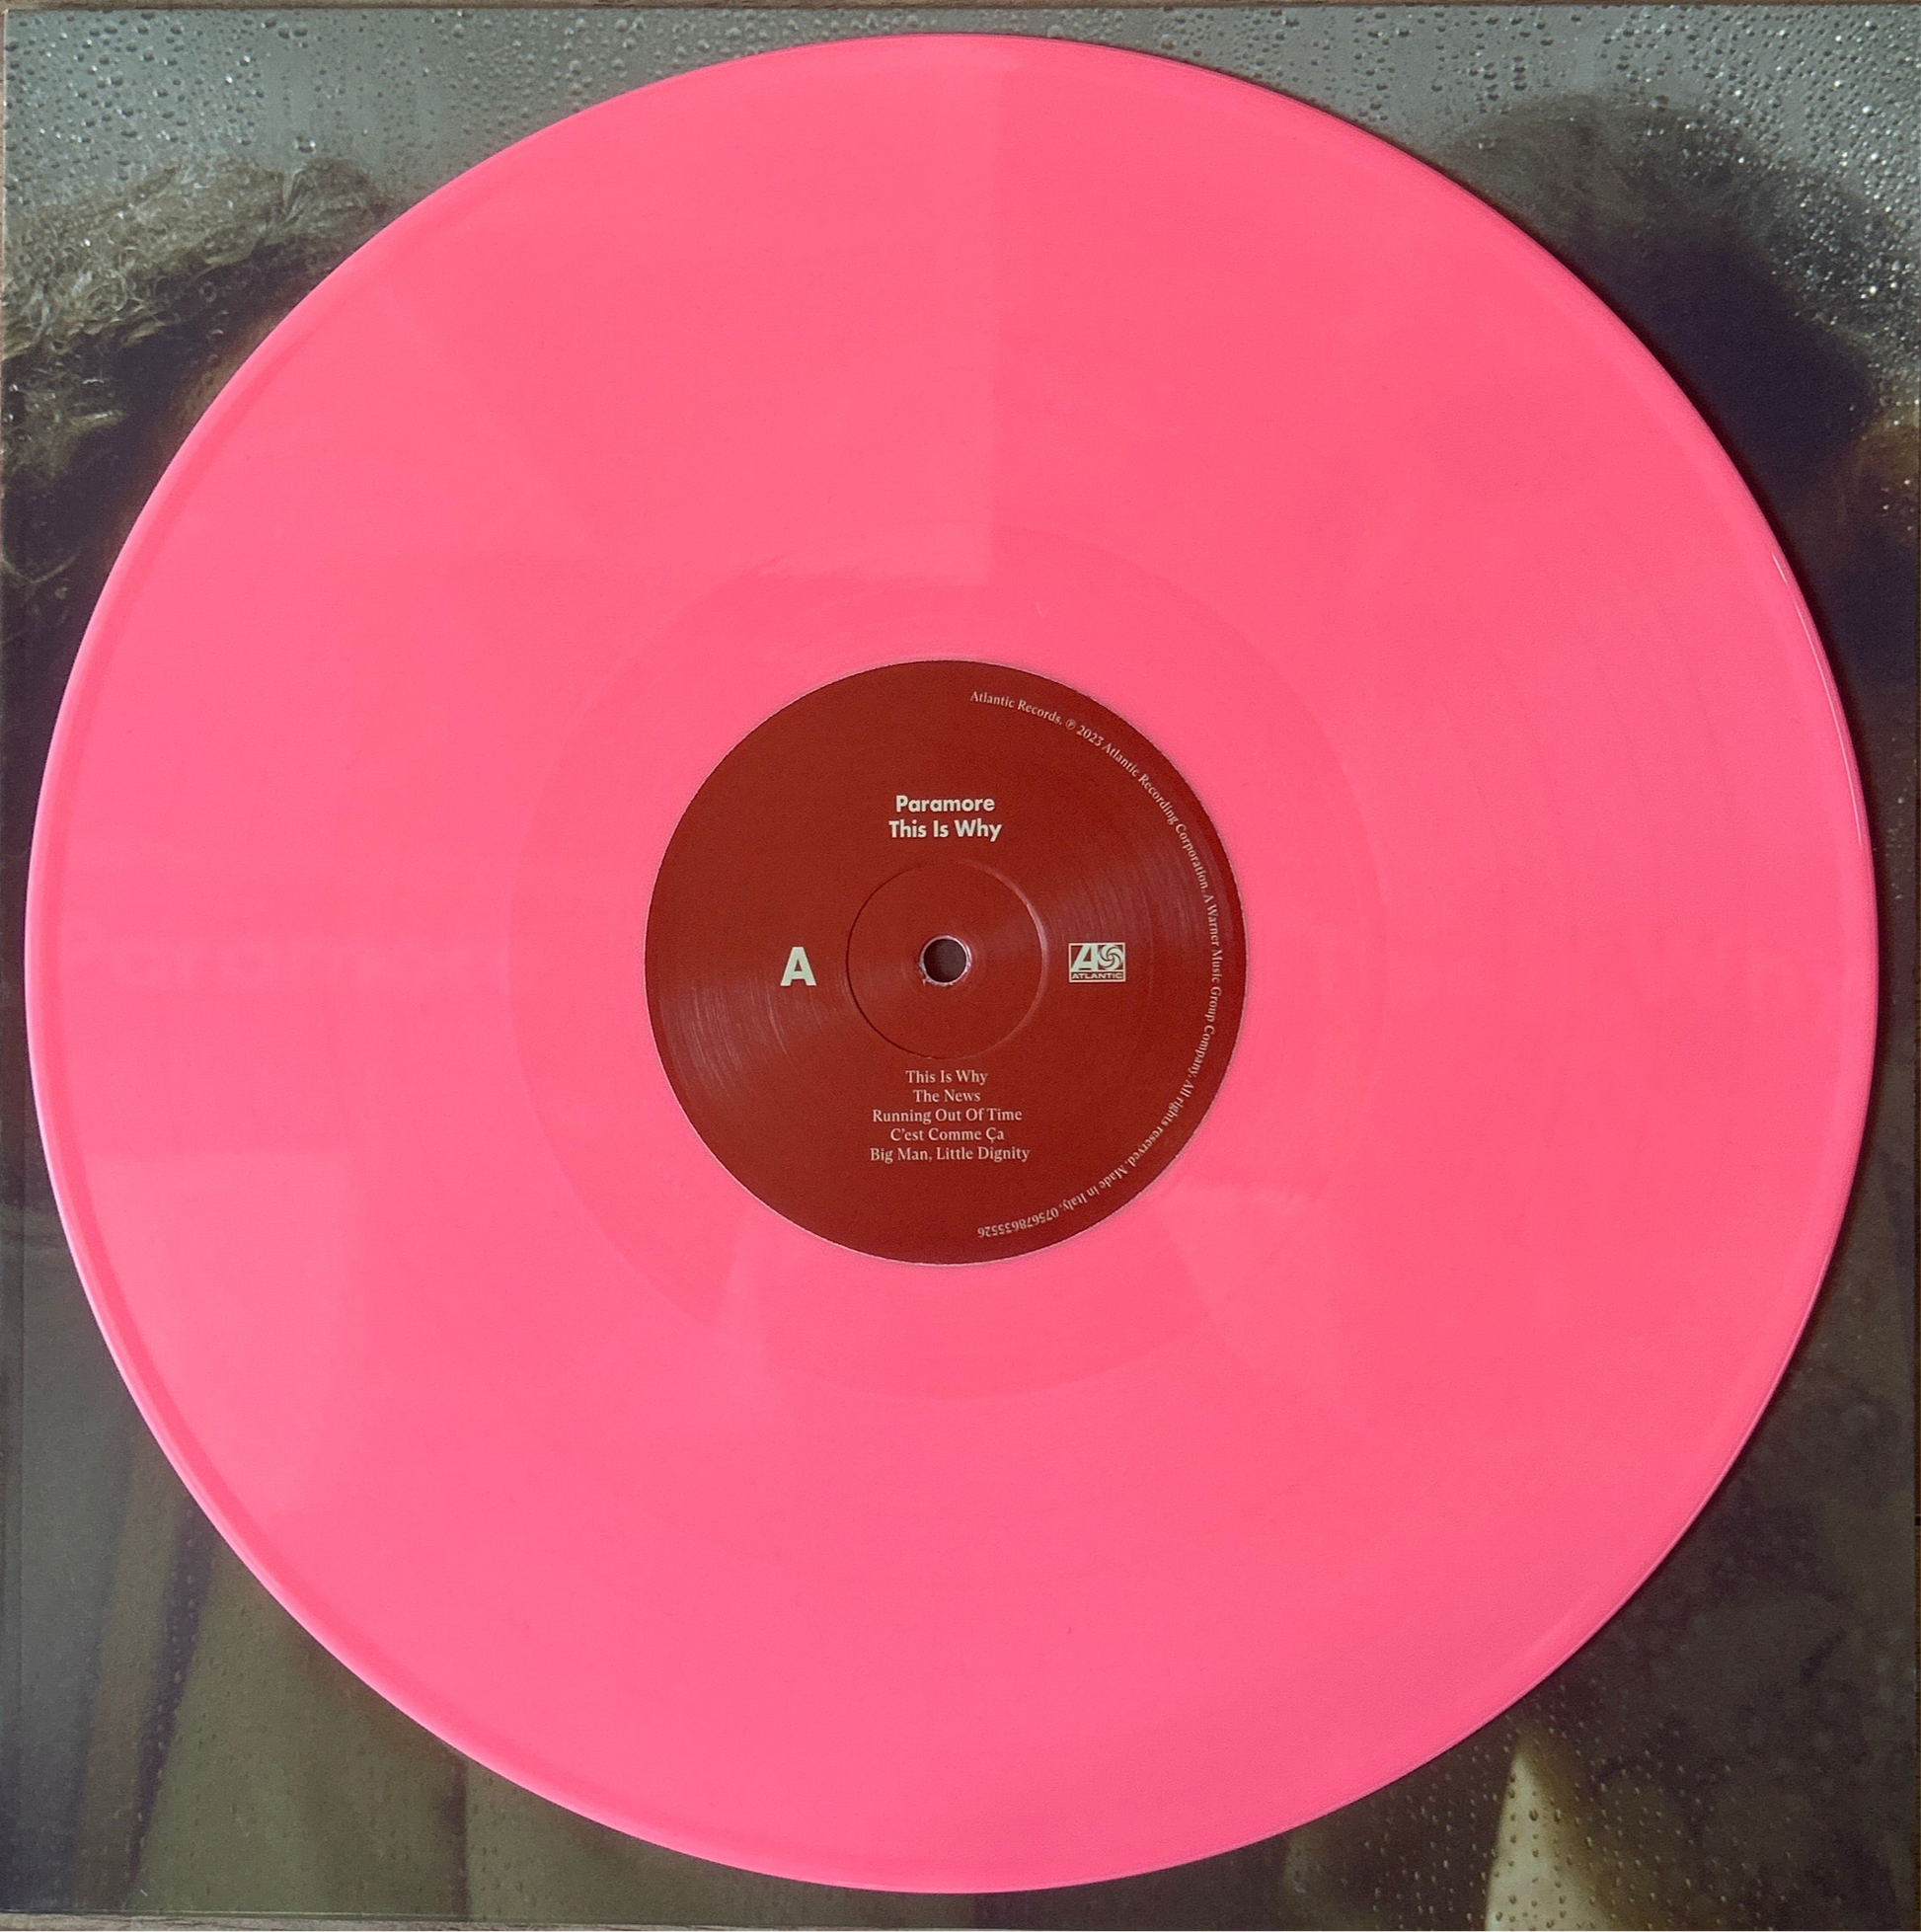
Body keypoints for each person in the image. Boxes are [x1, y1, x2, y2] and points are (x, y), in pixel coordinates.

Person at [3, 94, 1910, 1929]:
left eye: (493, 614)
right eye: (305, 616)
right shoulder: (249, 1323)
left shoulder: (1343, 1137)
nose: (436, 707)